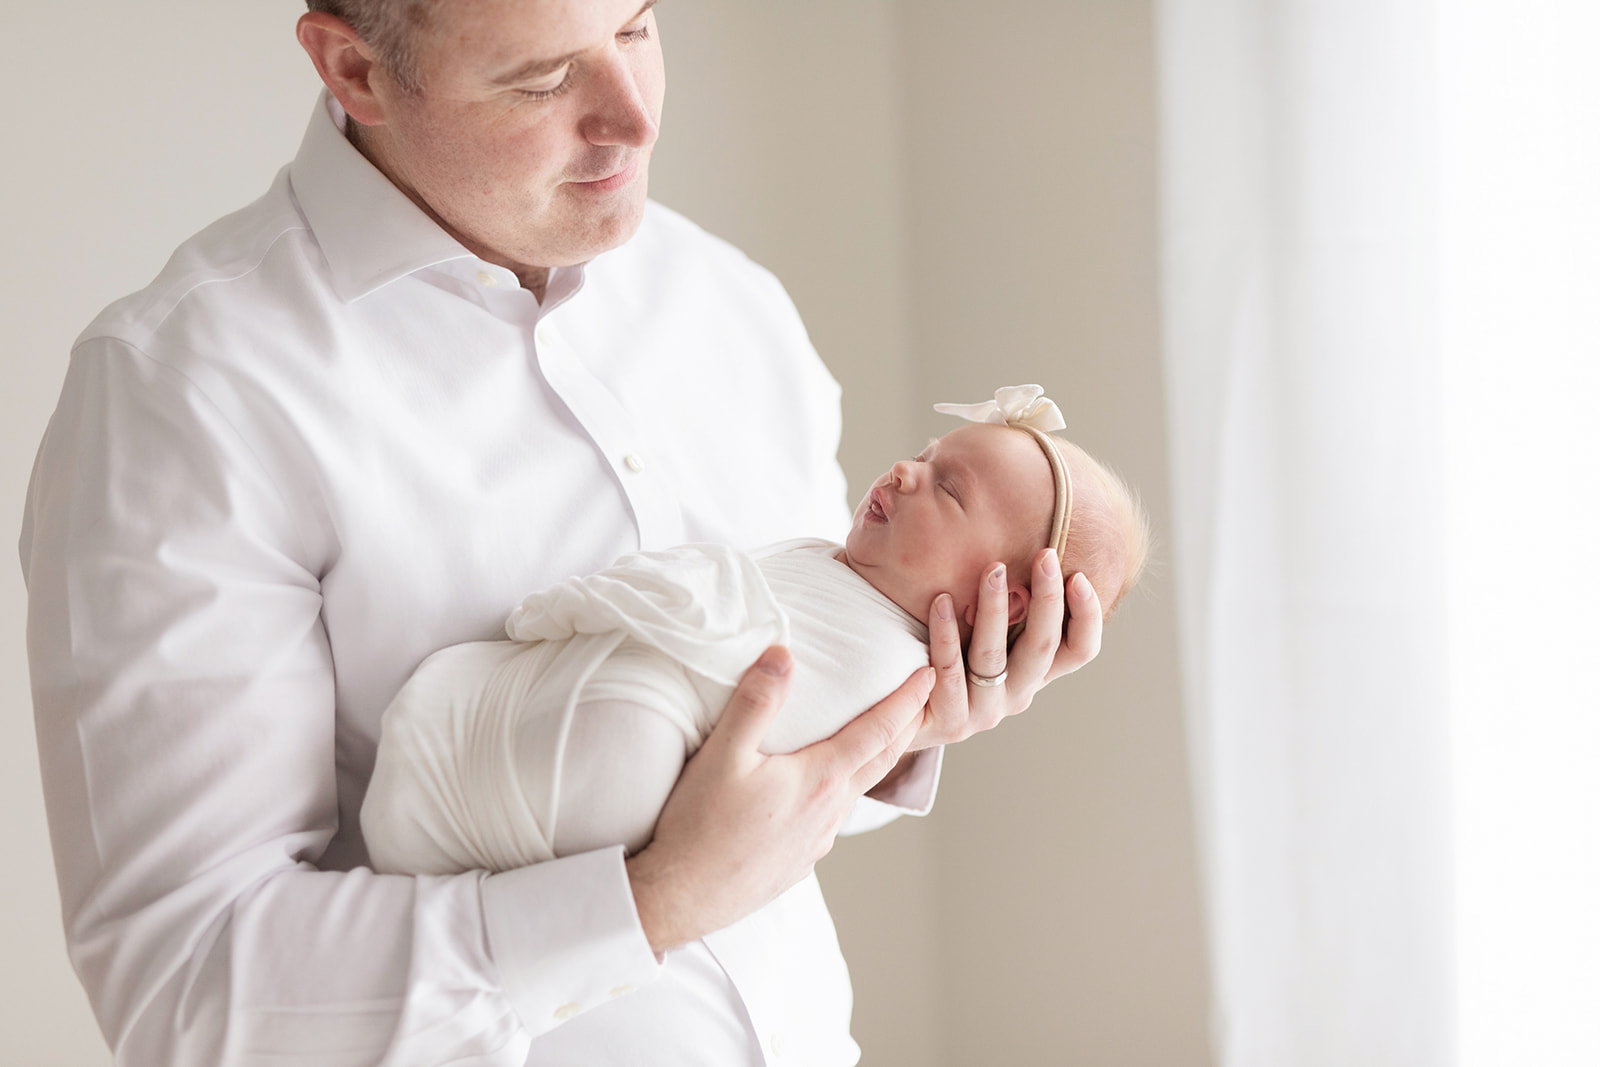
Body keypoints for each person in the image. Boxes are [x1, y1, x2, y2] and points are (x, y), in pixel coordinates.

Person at [19, 3, 1104, 1064]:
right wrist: (646, 903)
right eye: (542, 78)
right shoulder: (182, 393)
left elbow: (758, 779)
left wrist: (909, 718)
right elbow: (192, 994)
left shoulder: (733, 308)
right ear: (353, 71)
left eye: (637, 26)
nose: (634, 117)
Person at [363, 388, 1150, 878]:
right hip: (496, 728)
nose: (904, 472)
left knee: (629, 739)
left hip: (638, 758)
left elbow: (793, 780)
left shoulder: (897, 676)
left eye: (948, 487)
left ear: (1008, 602)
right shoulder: (835, 564)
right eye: (924, 454)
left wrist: (922, 728)